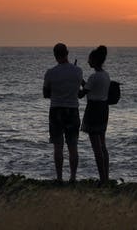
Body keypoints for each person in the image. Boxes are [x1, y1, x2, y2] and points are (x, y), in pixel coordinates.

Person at [43, 43, 83, 183]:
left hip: (56, 110)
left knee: (58, 146)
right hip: (72, 110)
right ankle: (73, 177)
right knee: (73, 146)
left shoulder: (50, 72)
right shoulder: (78, 71)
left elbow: (45, 93)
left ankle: (59, 178)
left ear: (55, 55)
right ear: (67, 53)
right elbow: (78, 92)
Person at [79, 45, 111, 185]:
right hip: (103, 110)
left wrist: (74, 84)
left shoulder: (93, 77)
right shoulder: (105, 75)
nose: (88, 62)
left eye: (89, 59)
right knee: (103, 145)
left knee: (96, 148)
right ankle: (106, 177)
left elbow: (81, 94)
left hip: (93, 110)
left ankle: (102, 180)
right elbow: (91, 89)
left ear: (95, 60)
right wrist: (81, 81)